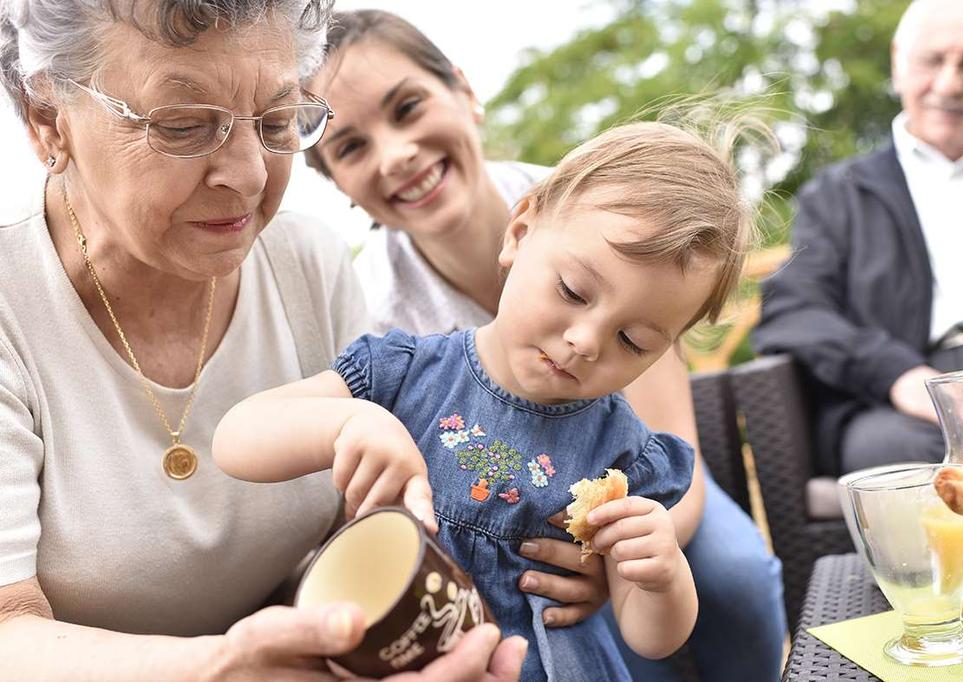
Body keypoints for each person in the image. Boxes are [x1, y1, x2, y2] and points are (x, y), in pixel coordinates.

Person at [0, 1, 526, 679]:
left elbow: (362, 533)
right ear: (46, 121)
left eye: (278, 121)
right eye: (184, 127)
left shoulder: (309, 263)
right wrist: (224, 667)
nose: (248, 175)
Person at [298, 10, 788, 679]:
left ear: (463, 91)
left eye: (408, 108)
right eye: (351, 148)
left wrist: (617, 561)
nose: (396, 153)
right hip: (500, 516)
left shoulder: (608, 217)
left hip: (618, 481)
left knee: (733, 573)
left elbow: (676, 452)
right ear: (339, 185)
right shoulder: (383, 315)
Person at [214, 119, 755, 681]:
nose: (585, 341)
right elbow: (237, 438)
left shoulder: (622, 454)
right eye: (572, 291)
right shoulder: (403, 373)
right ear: (519, 232)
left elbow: (651, 639)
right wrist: (350, 421)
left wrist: (662, 577)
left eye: (633, 341)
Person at [755, 0, 963, 476]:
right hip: (904, 397)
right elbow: (793, 310)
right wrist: (894, 373)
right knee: (895, 461)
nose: (949, 84)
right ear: (899, 62)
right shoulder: (839, 195)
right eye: (932, 60)